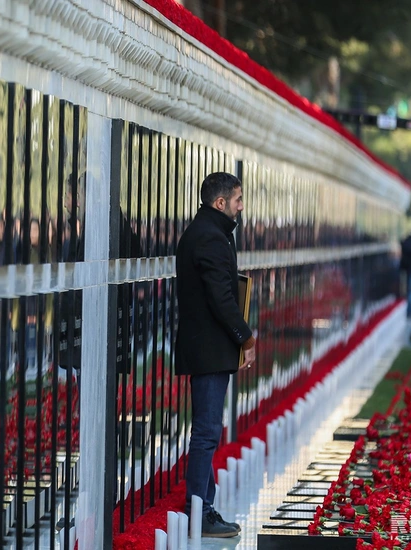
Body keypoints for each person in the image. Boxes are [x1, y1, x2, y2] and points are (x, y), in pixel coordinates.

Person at [175, 172, 255, 538]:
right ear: (220, 203)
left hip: (207, 348)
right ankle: (199, 511)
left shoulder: (209, 231)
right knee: (206, 432)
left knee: (207, 429)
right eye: (237, 200)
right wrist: (245, 336)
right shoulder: (209, 236)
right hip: (209, 349)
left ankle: (201, 505)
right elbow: (221, 297)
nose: (241, 206)